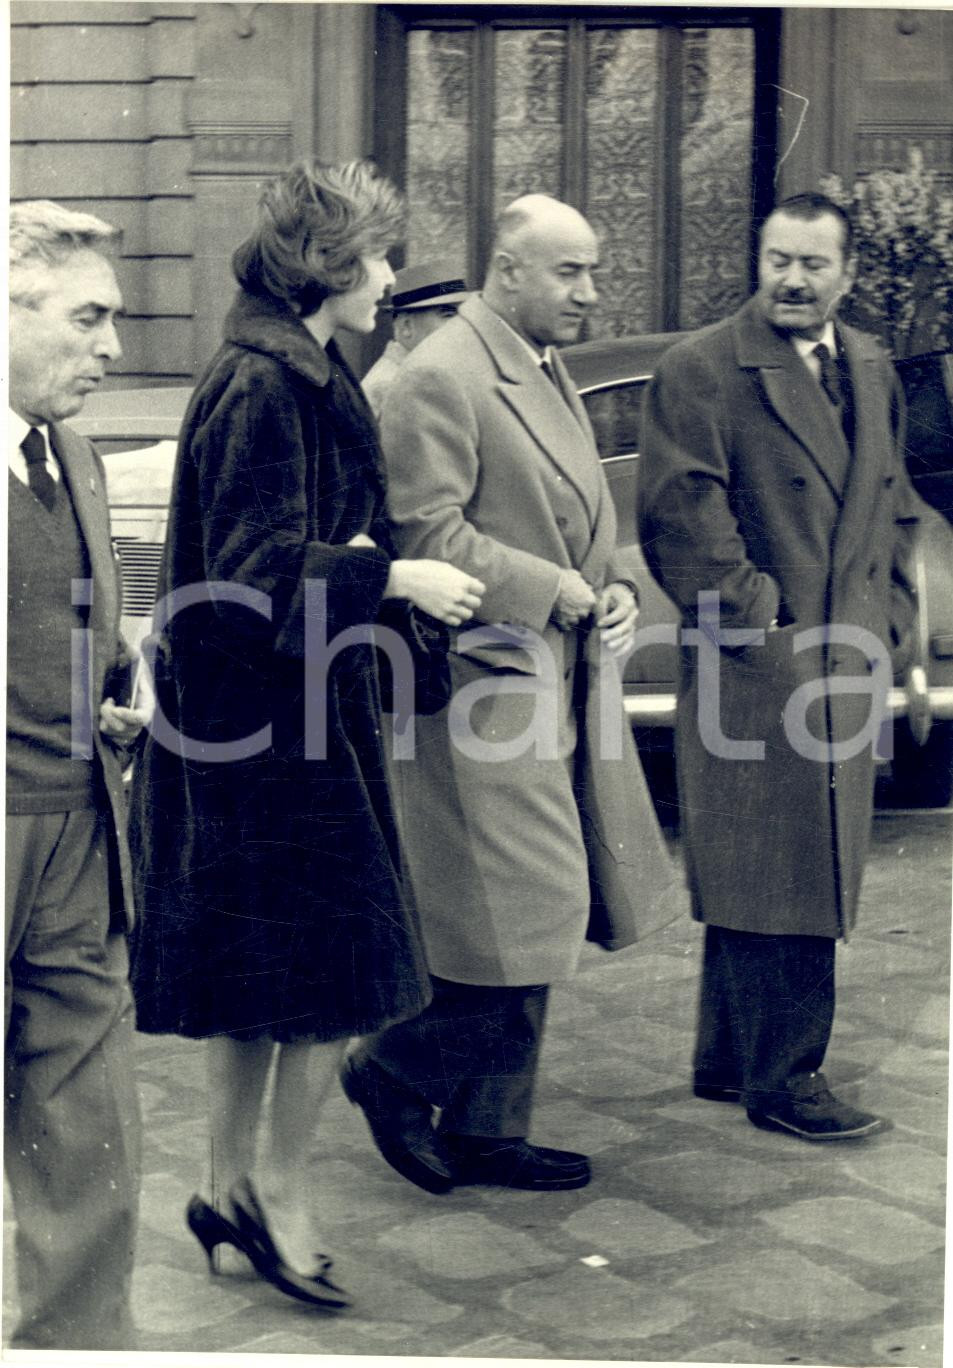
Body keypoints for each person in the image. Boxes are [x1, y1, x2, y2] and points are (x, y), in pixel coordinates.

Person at [128, 161, 484, 1306]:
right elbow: (250, 580)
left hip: (272, 738)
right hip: (271, 752)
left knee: (262, 989)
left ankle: (227, 1186)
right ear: (326, 268)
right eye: (379, 257)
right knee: (328, 991)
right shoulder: (267, 385)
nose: (390, 277)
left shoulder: (290, 368)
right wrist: (397, 578)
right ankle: (276, 1202)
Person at [343, 193, 675, 1193]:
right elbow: (423, 533)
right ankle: (393, 1070)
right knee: (525, 911)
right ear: (509, 269)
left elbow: (574, 519)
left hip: (550, 678)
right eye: (568, 272)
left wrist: (609, 592)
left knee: (528, 916)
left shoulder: (539, 363)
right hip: (477, 690)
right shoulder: (446, 372)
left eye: (591, 269)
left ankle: (489, 1129)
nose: (588, 291)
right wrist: (557, 589)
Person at [638, 192, 919, 1142]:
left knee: (782, 865)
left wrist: (892, 626)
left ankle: (728, 1062)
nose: (791, 280)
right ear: (757, 260)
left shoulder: (871, 366)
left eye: (812, 263)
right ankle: (787, 1079)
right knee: (779, 869)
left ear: (847, 274)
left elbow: (894, 504)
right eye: (776, 259)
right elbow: (683, 524)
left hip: (846, 660)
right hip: (759, 668)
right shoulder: (704, 369)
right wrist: (773, 629)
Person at [6, 201, 147, 1349]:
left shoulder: (76, 452)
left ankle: (78, 1345)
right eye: (88, 318)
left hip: (78, 828)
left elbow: (89, 612)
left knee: (88, 1124)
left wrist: (126, 664)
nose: (111, 347)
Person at [361, 259, 469, 418]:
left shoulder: (417, 374)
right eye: (448, 315)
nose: (461, 326)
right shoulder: (390, 386)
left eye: (464, 315)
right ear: (406, 326)